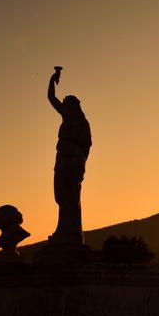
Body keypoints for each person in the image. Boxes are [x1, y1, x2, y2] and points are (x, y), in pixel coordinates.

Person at [48, 67, 92, 245]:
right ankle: (64, 228)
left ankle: (71, 231)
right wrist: (52, 80)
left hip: (72, 161)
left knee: (71, 196)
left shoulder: (80, 122)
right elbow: (51, 98)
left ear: (72, 106)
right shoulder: (67, 116)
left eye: (66, 104)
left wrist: (81, 163)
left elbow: (87, 146)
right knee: (61, 195)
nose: (63, 106)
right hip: (63, 159)